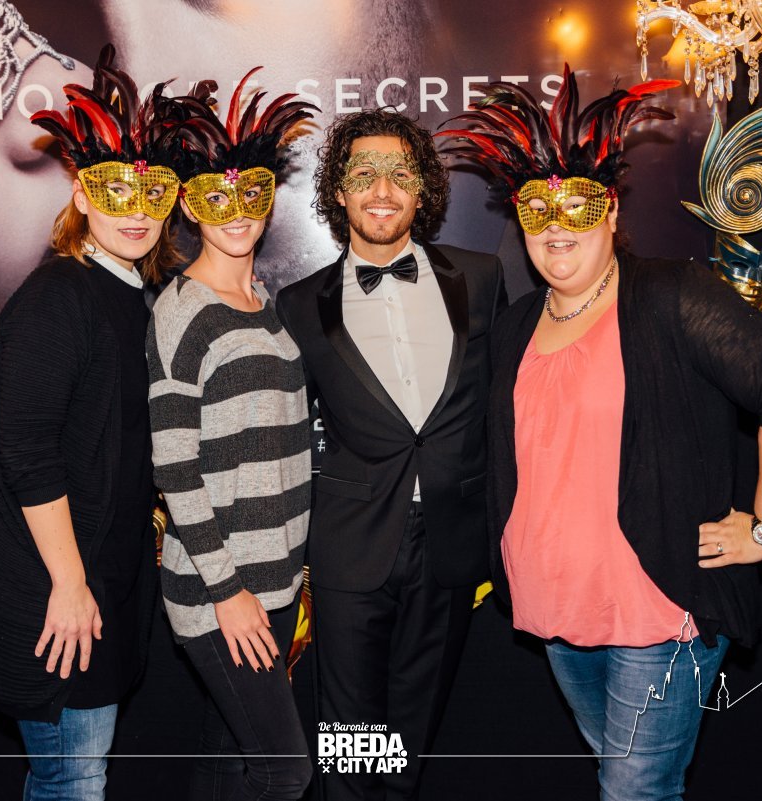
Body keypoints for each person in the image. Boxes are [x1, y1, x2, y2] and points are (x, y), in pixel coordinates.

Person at [439, 69, 762, 800]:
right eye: (536, 208)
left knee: (633, 790)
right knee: (626, 778)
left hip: (660, 606)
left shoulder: (670, 295)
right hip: (557, 611)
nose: (555, 225)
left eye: (577, 206)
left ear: (611, 211)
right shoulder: (518, 325)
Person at [0, 46, 180, 800]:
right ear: (82, 196)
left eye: (152, 194)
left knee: (70, 779)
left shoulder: (136, 297)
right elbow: (26, 451)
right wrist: (70, 582)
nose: (136, 212)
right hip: (53, 592)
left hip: (101, 584)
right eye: (116, 191)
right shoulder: (60, 296)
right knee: (73, 783)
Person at [276, 108, 506, 800]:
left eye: (401, 174)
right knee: (350, 741)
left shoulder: (482, 276)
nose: (383, 191)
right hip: (350, 543)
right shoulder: (299, 304)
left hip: (450, 542)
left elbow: (504, 409)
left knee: (411, 735)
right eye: (364, 174)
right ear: (338, 191)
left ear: (424, 189)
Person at [148, 72, 317, 801]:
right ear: (189, 204)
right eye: (216, 198)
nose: (237, 214)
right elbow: (174, 468)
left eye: (251, 194)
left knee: (228, 758)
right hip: (222, 588)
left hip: (273, 576)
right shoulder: (182, 310)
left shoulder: (260, 299)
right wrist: (228, 590)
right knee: (287, 770)